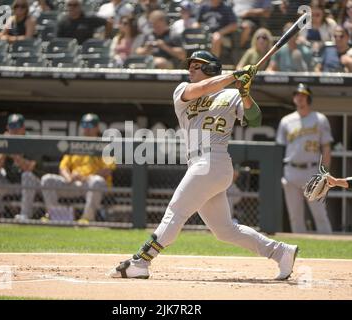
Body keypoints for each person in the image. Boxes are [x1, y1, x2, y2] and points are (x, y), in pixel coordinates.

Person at [109, 50, 298, 281]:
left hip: (213, 160)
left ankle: (140, 262)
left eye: (197, 66)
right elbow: (201, 89)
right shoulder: (182, 90)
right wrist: (233, 76)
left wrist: (245, 93)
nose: (190, 69)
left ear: (210, 68)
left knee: (176, 211)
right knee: (225, 230)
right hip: (200, 164)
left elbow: (254, 118)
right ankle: (281, 252)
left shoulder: (231, 95)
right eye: (191, 66)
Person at [276, 83, 333, 234]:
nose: (299, 98)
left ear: (309, 98)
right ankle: (301, 252)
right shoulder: (286, 121)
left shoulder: (319, 119)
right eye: (297, 95)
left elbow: (326, 148)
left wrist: (325, 173)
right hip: (291, 171)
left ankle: (328, 247)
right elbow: (280, 149)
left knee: (320, 215)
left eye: (303, 95)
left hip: (312, 170)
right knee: (295, 217)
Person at [41, 114, 116, 224]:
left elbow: (107, 170)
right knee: (47, 179)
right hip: (73, 183)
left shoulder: (105, 146)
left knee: (97, 181)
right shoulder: (75, 143)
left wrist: (85, 177)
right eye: (84, 125)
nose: (87, 128)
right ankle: (55, 215)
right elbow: (63, 167)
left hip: (91, 184)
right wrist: (69, 177)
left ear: (97, 128)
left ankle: (87, 218)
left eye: (90, 125)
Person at [0, 114, 43, 220]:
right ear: (7, 128)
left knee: (27, 176)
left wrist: (13, 154)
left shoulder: (33, 140)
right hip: (10, 184)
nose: (14, 131)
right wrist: (5, 149)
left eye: (17, 127)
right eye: (11, 127)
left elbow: (30, 168)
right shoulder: (3, 141)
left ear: (23, 128)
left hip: (33, 185)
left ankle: (24, 216)